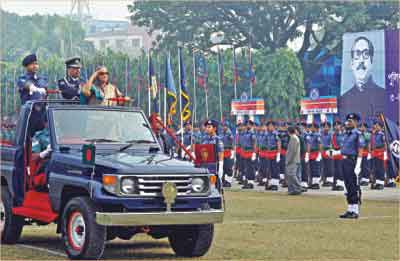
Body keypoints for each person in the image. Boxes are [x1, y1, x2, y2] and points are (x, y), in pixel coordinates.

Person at [340, 36, 385, 116]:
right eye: (357, 54)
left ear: (372, 62)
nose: (361, 60)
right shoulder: (343, 99)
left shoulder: (384, 96)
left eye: (365, 54)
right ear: (351, 64)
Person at [339, 113, 365, 219]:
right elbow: (344, 149)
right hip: (344, 161)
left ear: (355, 122)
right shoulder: (346, 134)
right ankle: (350, 209)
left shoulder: (358, 134)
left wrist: (358, 165)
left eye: (351, 121)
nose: (348, 123)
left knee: (353, 186)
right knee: (347, 186)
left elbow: (360, 150)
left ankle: (355, 210)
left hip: (352, 162)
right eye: (348, 121)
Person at [261, 121, 281, 191]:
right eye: (268, 126)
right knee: (268, 169)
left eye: (271, 126)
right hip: (268, 153)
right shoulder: (266, 134)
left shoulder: (276, 134)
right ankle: (269, 183)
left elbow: (279, 143)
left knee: (274, 169)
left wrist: (278, 153)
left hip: (274, 152)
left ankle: (275, 184)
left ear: (274, 126)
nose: (270, 127)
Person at [286, 126, 303, 195]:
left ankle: (298, 187)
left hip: (293, 160)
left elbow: (293, 151)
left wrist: (289, 160)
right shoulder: (294, 138)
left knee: (292, 175)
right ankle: (293, 189)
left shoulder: (293, 138)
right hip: (294, 159)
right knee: (291, 175)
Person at [370, 120, 387, 190]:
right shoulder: (373, 134)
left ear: (380, 127)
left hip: (380, 152)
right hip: (375, 152)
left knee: (380, 168)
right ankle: (376, 182)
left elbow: (385, 145)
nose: (375, 127)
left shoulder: (382, 135)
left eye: (377, 126)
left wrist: (383, 152)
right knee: (375, 168)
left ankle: (381, 183)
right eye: (375, 125)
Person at [305, 122, 322, 189]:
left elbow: (320, 145)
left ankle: (316, 183)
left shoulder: (317, 135)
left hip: (315, 153)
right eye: (310, 127)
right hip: (310, 153)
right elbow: (308, 145)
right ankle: (311, 182)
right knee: (310, 168)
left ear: (316, 128)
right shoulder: (309, 135)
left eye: (312, 127)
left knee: (315, 168)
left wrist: (319, 154)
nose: (311, 128)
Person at [240, 120, 257, 189]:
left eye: (249, 124)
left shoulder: (252, 134)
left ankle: (251, 182)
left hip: (250, 152)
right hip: (245, 152)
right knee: (246, 167)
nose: (247, 126)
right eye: (247, 124)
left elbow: (254, 144)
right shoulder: (245, 133)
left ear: (252, 126)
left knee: (250, 168)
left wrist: (254, 153)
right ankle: (247, 181)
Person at [331, 121, 345, 191]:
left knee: (340, 170)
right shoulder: (333, 135)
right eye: (335, 125)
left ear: (340, 126)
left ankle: (341, 184)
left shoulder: (343, 135)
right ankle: (335, 183)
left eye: (338, 125)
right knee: (335, 170)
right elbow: (332, 145)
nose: (336, 126)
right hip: (334, 154)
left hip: (341, 153)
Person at [221, 122, 234, 187]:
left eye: (225, 126)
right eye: (223, 126)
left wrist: (232, 151)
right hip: (222, 152)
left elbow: (232, 141)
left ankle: (228, 181)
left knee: (228, 167)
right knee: (223, 167)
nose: (224, 127)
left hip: (228, 151)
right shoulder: (221, 134)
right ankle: (223, 180)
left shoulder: (229, 133)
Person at [321, 122, 334, 187]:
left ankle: (330, 180)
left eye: (327, 127)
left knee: (329, 166)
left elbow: (332, 143)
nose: (325, 128)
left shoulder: (331, 134)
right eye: (324, 127)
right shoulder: (320, 134)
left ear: (329, 127)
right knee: (323, 166)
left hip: (329, 151)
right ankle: (324, 180)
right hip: (322, 151)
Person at [278, 121, 290, 187]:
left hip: (288, 151)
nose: (285, 127)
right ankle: (283, 180)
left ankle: (287, 181)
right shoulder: (280, 134)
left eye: (286, 126)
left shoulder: (290, 134)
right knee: (282, 166)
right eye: (284, 126)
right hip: (282, 151)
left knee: (287, 167)